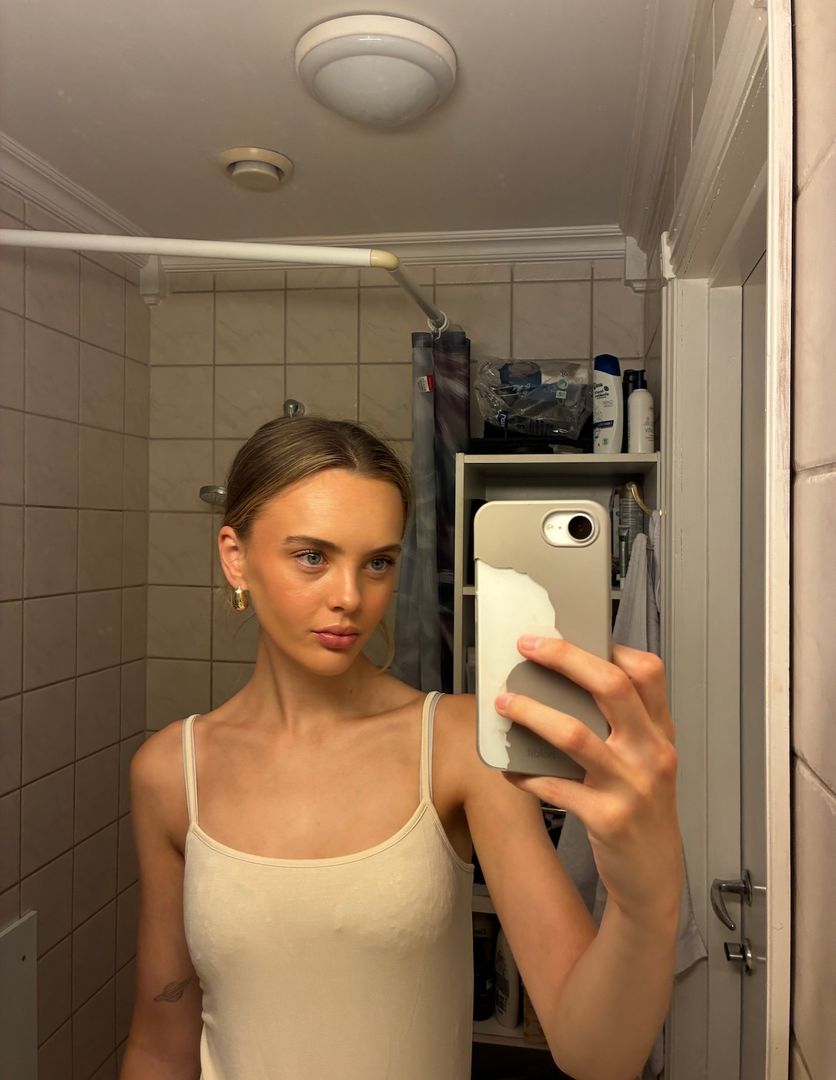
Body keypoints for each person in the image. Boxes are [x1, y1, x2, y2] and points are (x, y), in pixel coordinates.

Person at [120, 416, 683, 1080]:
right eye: (312, 557)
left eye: (378, 563)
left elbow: (597, 1055)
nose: (351, 598)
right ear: (235, 556)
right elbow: (161, 1044)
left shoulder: (458, 746)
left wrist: (646, 900)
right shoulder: (171, 770)